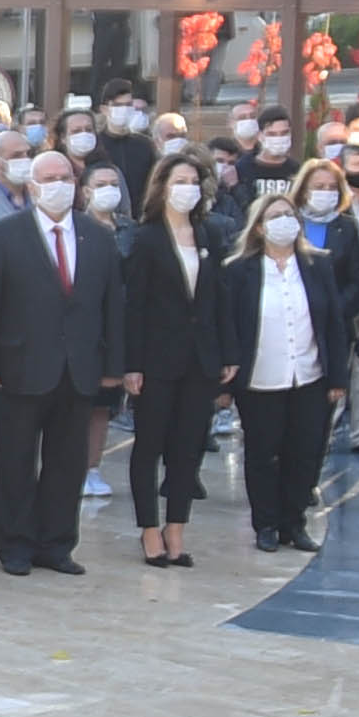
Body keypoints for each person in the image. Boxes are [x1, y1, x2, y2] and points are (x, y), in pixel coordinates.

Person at [0, 149, 125, 575]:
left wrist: (114, 364)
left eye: (66, 178)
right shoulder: (5, 235)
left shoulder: (97, 236)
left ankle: (56, 544)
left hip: (78, 369)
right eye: (49, 178)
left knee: (67, 462)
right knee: (15, 461)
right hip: (19, 367)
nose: (59, 185)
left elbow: (112, 305)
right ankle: (14, 545)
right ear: (32, 186)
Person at [218, 194, 347, 552]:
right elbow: (228, 325)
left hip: (308, 375)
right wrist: (225, 382)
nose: (284, 221)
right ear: (259, 226)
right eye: (275, 216)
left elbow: (335, 323)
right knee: (262, 452)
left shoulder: (317, 265)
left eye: (289, 215)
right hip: (259, 378)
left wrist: (338, 377)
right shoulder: (238, 269)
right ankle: (266, 524)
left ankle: (295, 522)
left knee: (305, 451)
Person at [121, 155, 217, 567]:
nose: (188, 187)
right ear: (163, 186)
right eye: (180, 180)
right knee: (150, 445)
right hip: (157, 358)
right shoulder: (145, 239)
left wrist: (225, 354)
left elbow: (218, 301)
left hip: (200, 360)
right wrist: (133, 364)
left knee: (188, 447)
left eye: (194, 180)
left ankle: (176, 526)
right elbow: (134, 306)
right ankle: (148, 529)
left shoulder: (208, 234)